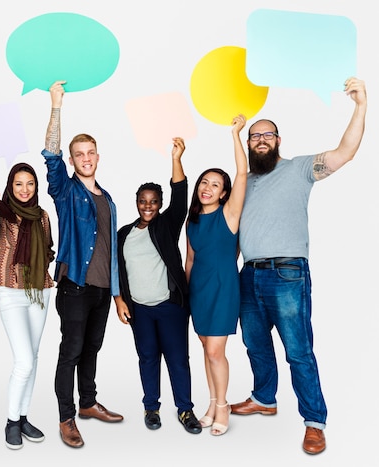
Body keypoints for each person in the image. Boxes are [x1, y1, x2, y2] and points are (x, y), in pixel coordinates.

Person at [229, 77, 366, 455]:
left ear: (278, 140)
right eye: (254, 136)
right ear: (248, 144)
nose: (260, 140)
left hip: (287, 275)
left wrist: (360, 105)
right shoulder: (243, 182)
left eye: (267, 135)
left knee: (298, 351)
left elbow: (346, 151)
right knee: (255, 345)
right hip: (248, 276)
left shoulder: (300, 168)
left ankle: (314, 421)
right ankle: (263, 398)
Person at [42, 80, 123, 448]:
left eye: (90, 152)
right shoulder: (65, 190)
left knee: (92, 349)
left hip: (102, 290)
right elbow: (51, 154)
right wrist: (56, 106)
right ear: (73, 160)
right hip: (74, 285)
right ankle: (66, 417)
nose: (85, 157)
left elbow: (110, 250)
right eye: (79, 154)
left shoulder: (107, 198)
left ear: (98, 156)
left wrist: (117, 293)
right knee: (70, 352)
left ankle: (88, 403)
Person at [115, 138, 203, 436]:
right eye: (143, 201)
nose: (148, 206)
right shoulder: (124, 233)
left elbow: (181, 197)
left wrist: (176, 158)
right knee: (148, 357)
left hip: (169, 307)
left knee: (178, 359)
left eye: (153, 201)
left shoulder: (166, 224)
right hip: (139, 309)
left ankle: (185, 410)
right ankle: (151, 407)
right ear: (136, 202)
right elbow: (118, 270)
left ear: (160, 204)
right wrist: (119, 300)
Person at [0, 153, 55, 450]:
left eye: (30, 184)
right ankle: (11, 421)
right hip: (10, 290)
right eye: (19, 184)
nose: (24, 189)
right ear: (11, 185)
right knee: (23, 360)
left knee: (32, 360)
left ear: (36, 187)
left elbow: (46, 249)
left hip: (39, 290)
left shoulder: (42, 215)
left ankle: (22, 417)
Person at [184, 114, 248, 436]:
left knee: (215, 351)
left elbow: (241, 172)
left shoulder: (230, 213)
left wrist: (235, 134)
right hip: (199, 291)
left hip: (224, 288)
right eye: (204, 182)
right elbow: (190, 260)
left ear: (224, 193)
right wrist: (185, 294)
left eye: (215, 185)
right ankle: (211, 402)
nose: (207, 188)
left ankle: (223, 406)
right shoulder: (191, 221)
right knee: (205, 349)